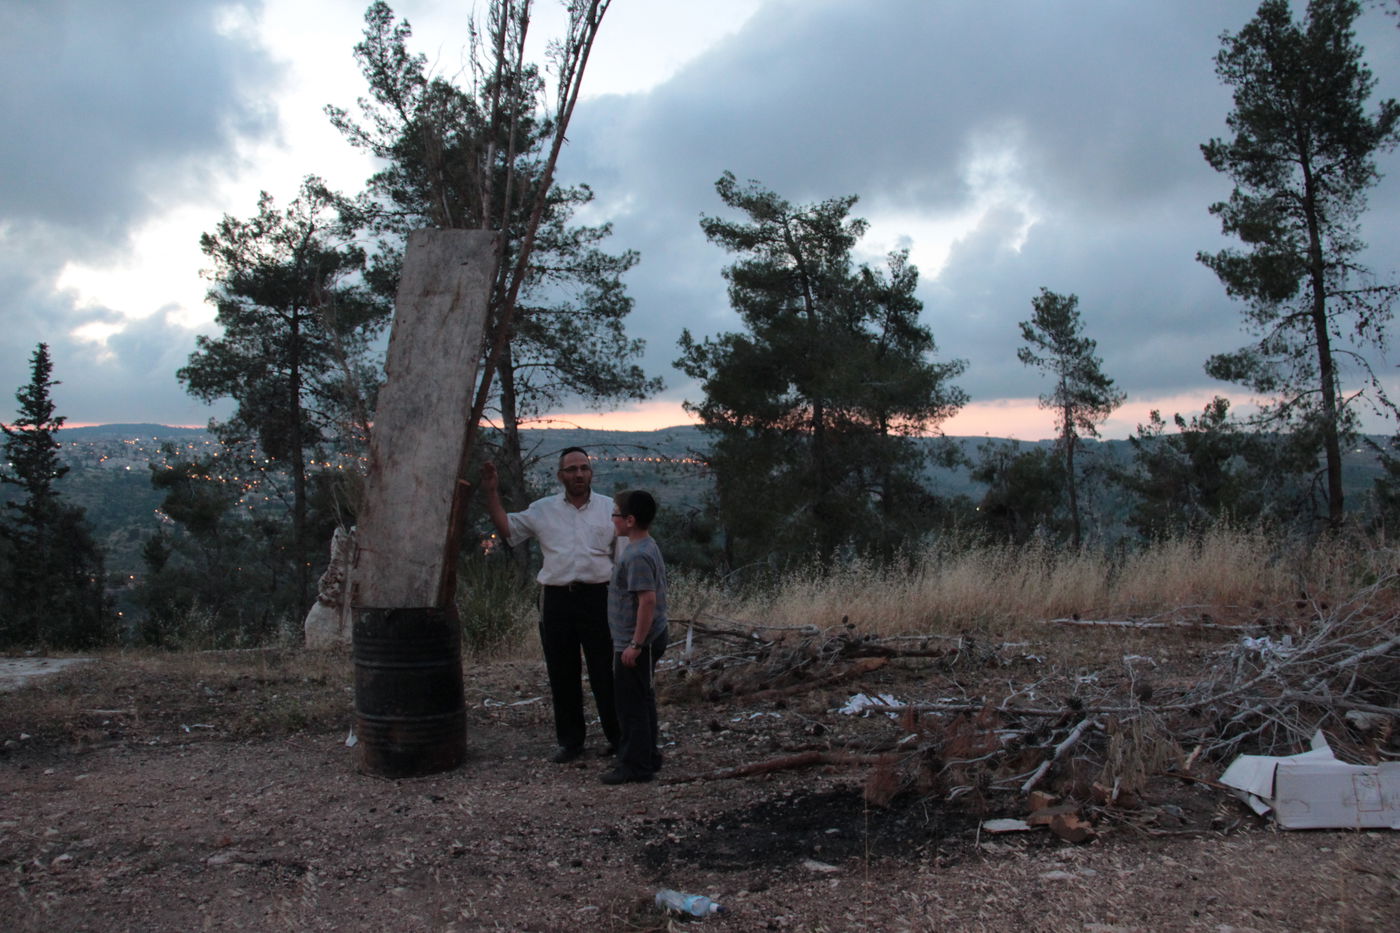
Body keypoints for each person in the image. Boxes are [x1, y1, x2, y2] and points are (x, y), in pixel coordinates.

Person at [480, 448, 621, 763]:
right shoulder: (542, 510)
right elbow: (507, 529)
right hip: (557, 599)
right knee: (562, 672)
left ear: (591, 473)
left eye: (584, 468)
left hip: (599, 597)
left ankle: (619, 738)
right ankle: (571, 742)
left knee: (605, 671)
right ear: (561, 476)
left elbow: (622, 555)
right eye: (572, 469)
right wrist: (491, 493)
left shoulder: (609, 509)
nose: (579, 474)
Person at [601, 489, 668, 785]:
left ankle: (635, 766)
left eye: (616, 513)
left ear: (629, 520)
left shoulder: (639, 555)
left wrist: (635, 645)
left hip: (637, 642)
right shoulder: (643, 546)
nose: (612, 518)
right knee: (643, 698)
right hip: (639, 640)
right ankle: (648, 756)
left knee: (630, 705)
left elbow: (648, 601)